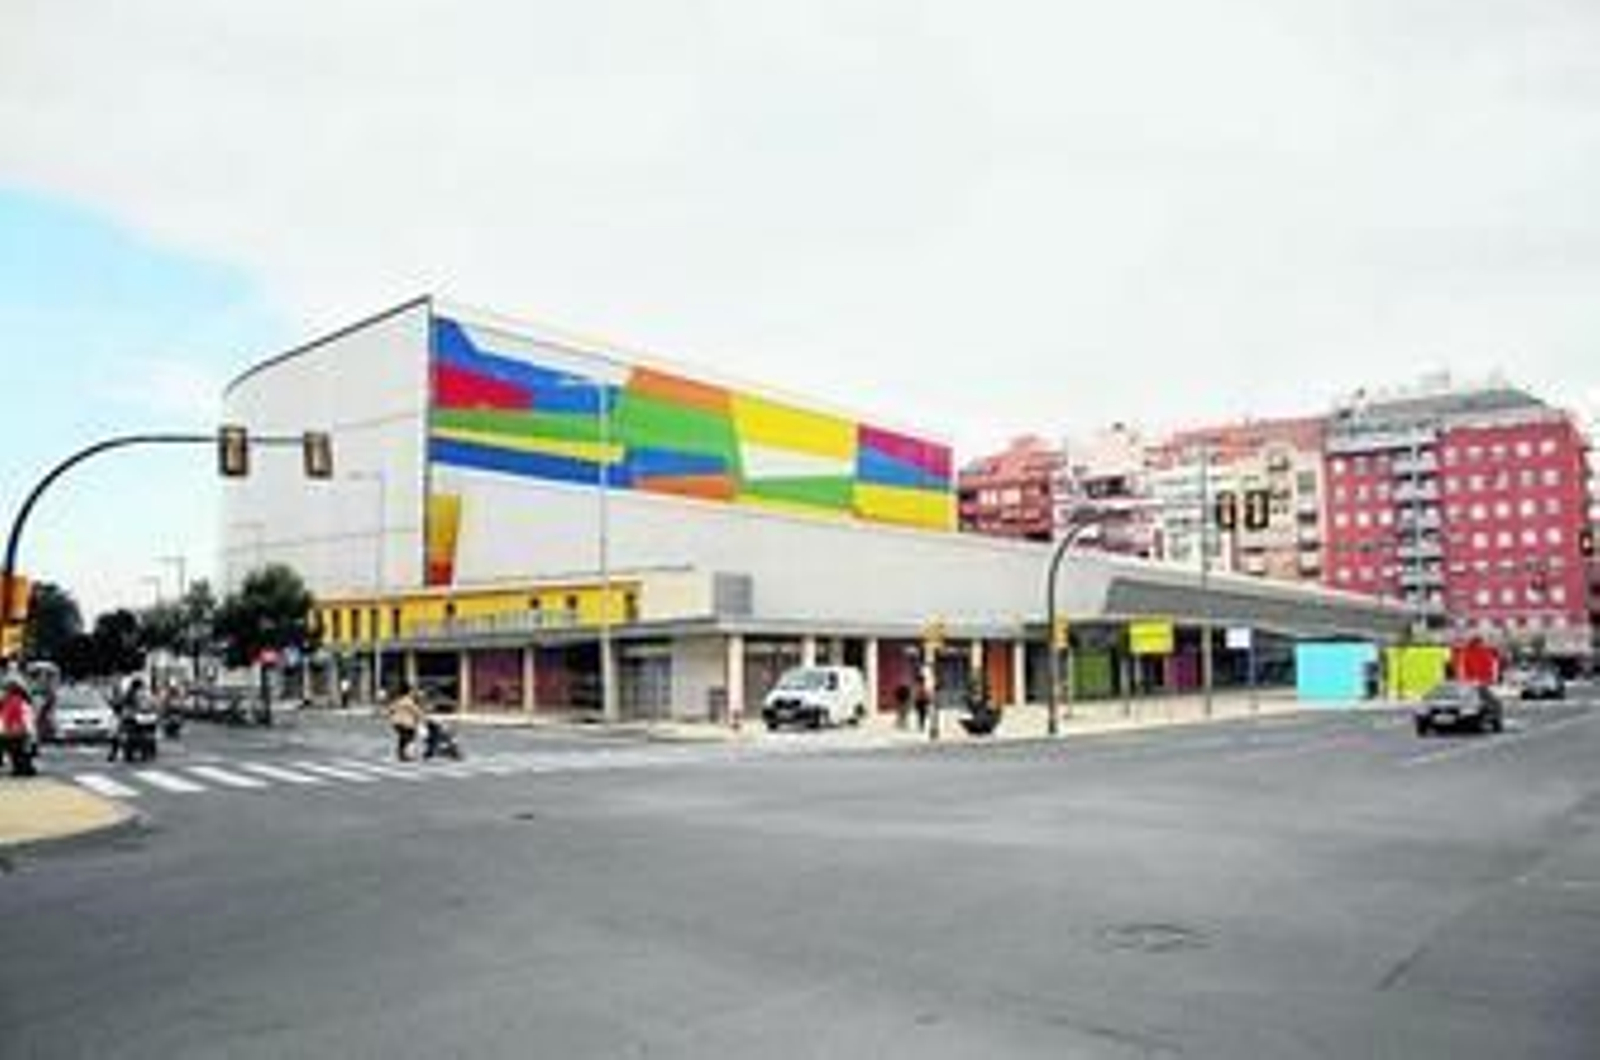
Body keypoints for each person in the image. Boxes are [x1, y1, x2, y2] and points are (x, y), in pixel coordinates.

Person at [1, 677, 38, 777]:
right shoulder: (10, 702)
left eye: (5, 690)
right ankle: (22, 768)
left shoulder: (17, 703)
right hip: (14, 734)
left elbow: (27, 720)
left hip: (17, 734)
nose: (3, 693)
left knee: (19, 755)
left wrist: (31, 735)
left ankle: (22, 768)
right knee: (19, 756)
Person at [385, 683, 426, 762]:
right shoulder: (408, 701)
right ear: (408, 692)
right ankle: (406, 754)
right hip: (406, 723)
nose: (413, 692)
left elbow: (389, 710)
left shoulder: (398, 700)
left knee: (403, 738)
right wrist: (423, 717)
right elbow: (417, 712)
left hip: (397, 723)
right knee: (409, 738)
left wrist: (389, 716)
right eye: (412, 691)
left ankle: (401, 754)